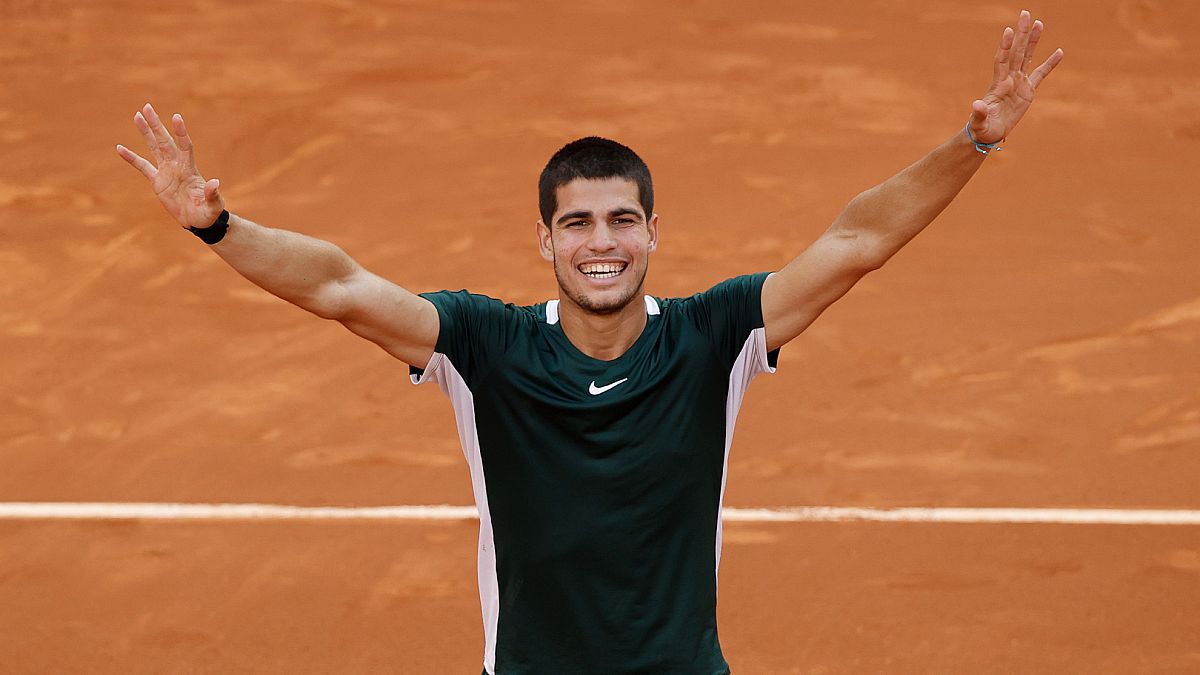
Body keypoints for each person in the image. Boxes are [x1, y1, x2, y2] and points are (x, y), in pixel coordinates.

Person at [116, 10, 1062, 674]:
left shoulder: (714, 333)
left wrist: (971, 144)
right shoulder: (479, 345)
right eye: (577, 224)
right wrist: (218, 226)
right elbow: (339, 286)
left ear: (654, 233)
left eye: (620, 221)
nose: (600, 243)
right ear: (545, 240)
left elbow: (857, 242)